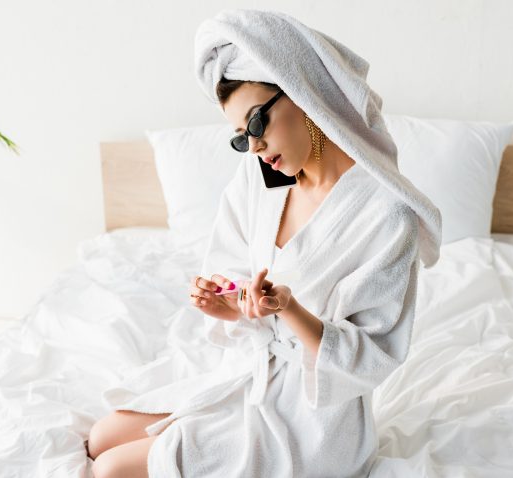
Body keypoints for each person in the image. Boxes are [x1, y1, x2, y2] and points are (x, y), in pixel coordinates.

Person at [88, 9, 441, 478]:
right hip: (248, 373)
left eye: (256, 124)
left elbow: (372, 356)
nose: (254, 147)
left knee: (111, 469)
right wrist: (230, 304)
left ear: (303, 91)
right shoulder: (262, 180)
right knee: (101, 437)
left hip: (315, 419)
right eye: (241, 138)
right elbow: (237, 277)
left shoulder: (386, 214)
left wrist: (290, 310)